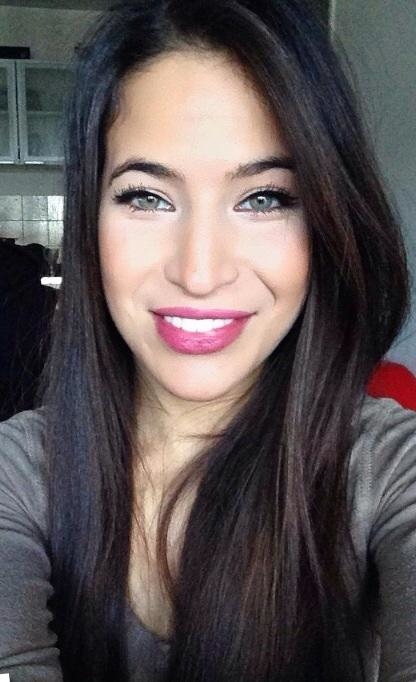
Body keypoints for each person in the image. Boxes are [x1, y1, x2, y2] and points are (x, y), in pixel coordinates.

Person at [0, 0, 415, 680]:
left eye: (264, 198)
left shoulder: (390, 471)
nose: (199, 273)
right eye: (146, 196)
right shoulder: (20, 473)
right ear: (90, 219)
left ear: (330, 223)